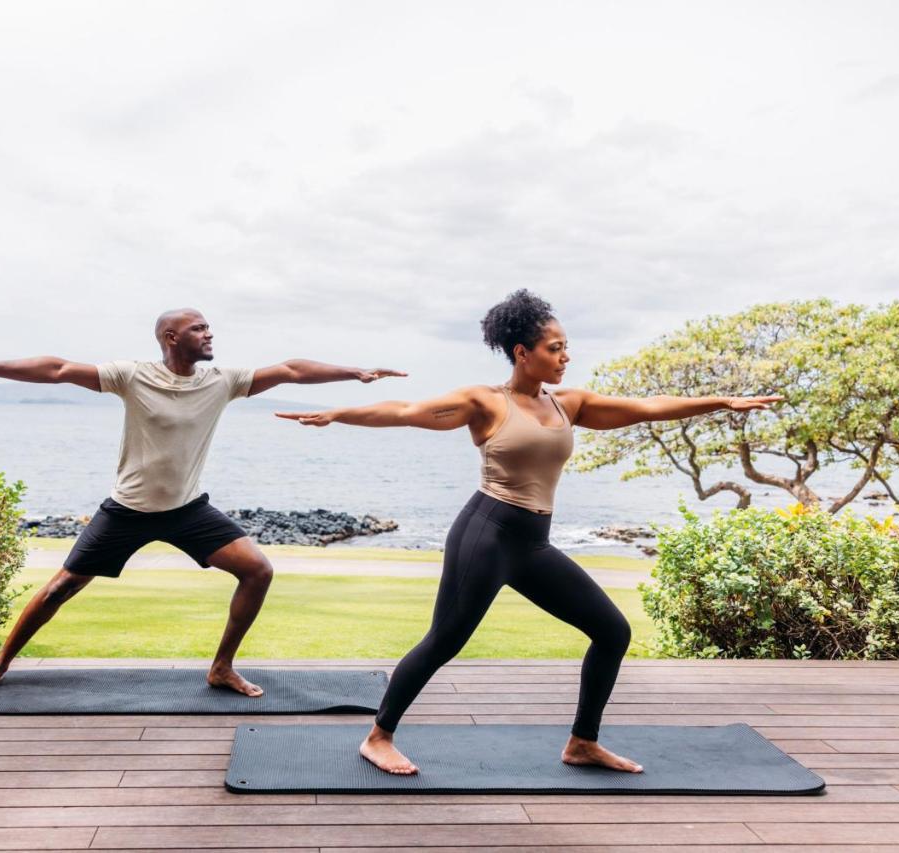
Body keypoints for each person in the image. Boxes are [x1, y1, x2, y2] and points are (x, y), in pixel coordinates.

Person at [276, 289, 782, 774]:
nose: (565, 357)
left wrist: (721, 401)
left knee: (611, 632)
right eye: (554, 348)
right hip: (486, 534)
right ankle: (378, 737)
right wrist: (339, 413)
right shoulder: (486, 403)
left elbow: (648, 406)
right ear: (522, 352)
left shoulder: (570, 405)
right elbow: (407, 413)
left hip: (533, 544)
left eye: (565, 348)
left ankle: (583, 742)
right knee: (444, 640)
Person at [0, 307, 404, 699]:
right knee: (59, 589)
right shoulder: (132, 376)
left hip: (187, 510)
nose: (210, 333)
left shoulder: (223, 380)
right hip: (127, 511)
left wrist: (354, 372)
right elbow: (59, 369)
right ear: (171, 337)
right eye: (199, 328)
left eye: (209, 326)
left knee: (257, 570)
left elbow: (292, 369)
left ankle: (221, 668)